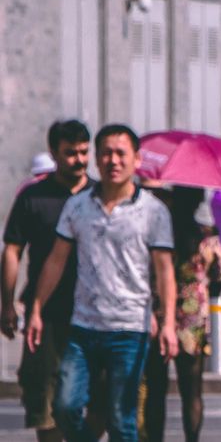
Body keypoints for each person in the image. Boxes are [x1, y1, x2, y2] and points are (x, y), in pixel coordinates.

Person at [26, 124, 178, 441]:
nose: (113, 160)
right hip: (84, 327)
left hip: (129, 329)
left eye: (121, 153)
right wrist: (37, 309)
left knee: (122, 419)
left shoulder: (153, 211)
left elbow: (164, 271)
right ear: (97, 159)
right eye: (106, 153)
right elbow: (56, 260)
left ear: (136, 159)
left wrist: (168, 323)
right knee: (65, 406)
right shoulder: (78, 206)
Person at [3, 120, 101, 441]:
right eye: (70, 153)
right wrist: (7, 305)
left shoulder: (100, 196)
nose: (79, 159)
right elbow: (13, 252)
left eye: (84, 152)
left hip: (96, 315)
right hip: (45, 315)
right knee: (44, 403)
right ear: (54, 154)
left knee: (101, 400)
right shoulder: (34, 198)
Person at [143, 186, 221, 442]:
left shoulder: (160, 236)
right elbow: (220, 276)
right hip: (193, 322)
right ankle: (192, 438)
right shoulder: (207, 238)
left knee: (156, 389)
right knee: (192, 391)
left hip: (160, 317)